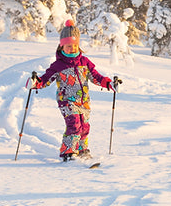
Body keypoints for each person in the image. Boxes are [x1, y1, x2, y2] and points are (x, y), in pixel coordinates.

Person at [32, 19, 116, 161]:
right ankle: (68, 152)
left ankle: (82, 149)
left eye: (75, 45)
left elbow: (95, 76)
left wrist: (109, 84)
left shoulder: (85, 62)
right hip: (67, 101)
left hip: (84, 102)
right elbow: (46, 79)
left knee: (84, 126)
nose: (72, 48)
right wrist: (36, 83)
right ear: (61, 47)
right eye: (68, 46)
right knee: (74, 125)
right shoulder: (58, 65)